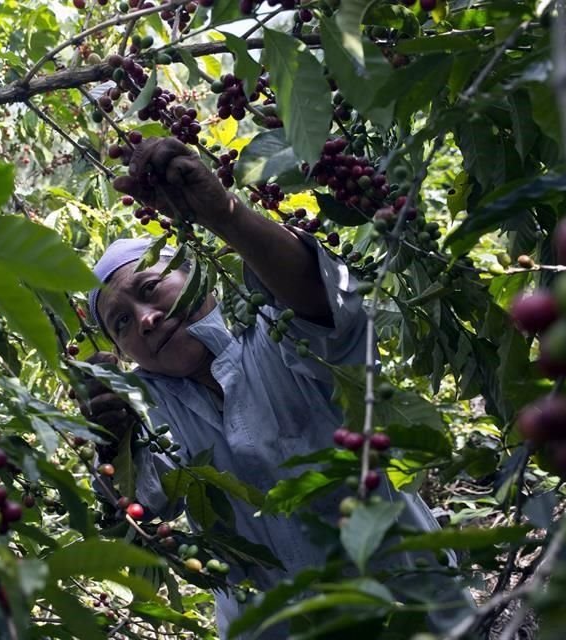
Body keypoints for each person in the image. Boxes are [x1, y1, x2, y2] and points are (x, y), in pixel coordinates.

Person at [78, 137, 475, 638]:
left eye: (150, 289)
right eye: (122, 324)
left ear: (194, 270)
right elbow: (144, 505)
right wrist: (110, 437)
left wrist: (224, 215)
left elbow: (332, 313)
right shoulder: (145, 410)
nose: (147, 319)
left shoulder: (276, 329)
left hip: (410, 609)